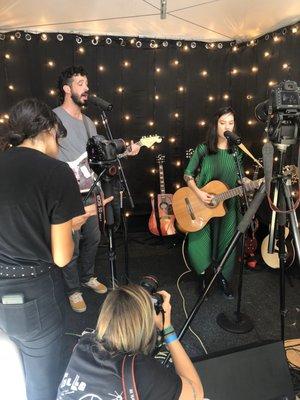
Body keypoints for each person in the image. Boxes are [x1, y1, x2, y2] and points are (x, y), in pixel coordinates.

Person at [0, 98, 89, 400]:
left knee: (8, 372)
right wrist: (70, 229)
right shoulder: (56, 172)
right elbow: (63, 256)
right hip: (35, 295)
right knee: (42, 384)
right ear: (50, 130)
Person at [54, 66, 139, 313]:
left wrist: (126, 149)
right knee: (72, 244)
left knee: (93, 238)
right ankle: (73, 290)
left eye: (86, 83)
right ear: (67, 89)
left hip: (92, 192)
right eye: (80, 83)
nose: (86, 88)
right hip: (66, 196)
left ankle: (87, 277)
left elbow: (101, 153)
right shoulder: (54, 118)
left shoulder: (90, 122)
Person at [57, 284, 204, 400]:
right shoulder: (141, 369)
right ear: (145, 326)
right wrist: (167, 330)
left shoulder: (83, 344)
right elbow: (196, 393)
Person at [184, 107, 243, 298]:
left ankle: (223, 278)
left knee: (227, 242)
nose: (227, 127)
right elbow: (188, 175)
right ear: (215, 124)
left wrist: (251, 183)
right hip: (202, 204)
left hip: (228, 205)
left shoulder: (237, 152)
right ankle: (201, 279)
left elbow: (239, 178)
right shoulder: (203, 149)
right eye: (223, 122)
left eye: (231, 123)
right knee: (199, 243)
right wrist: (199, 194)